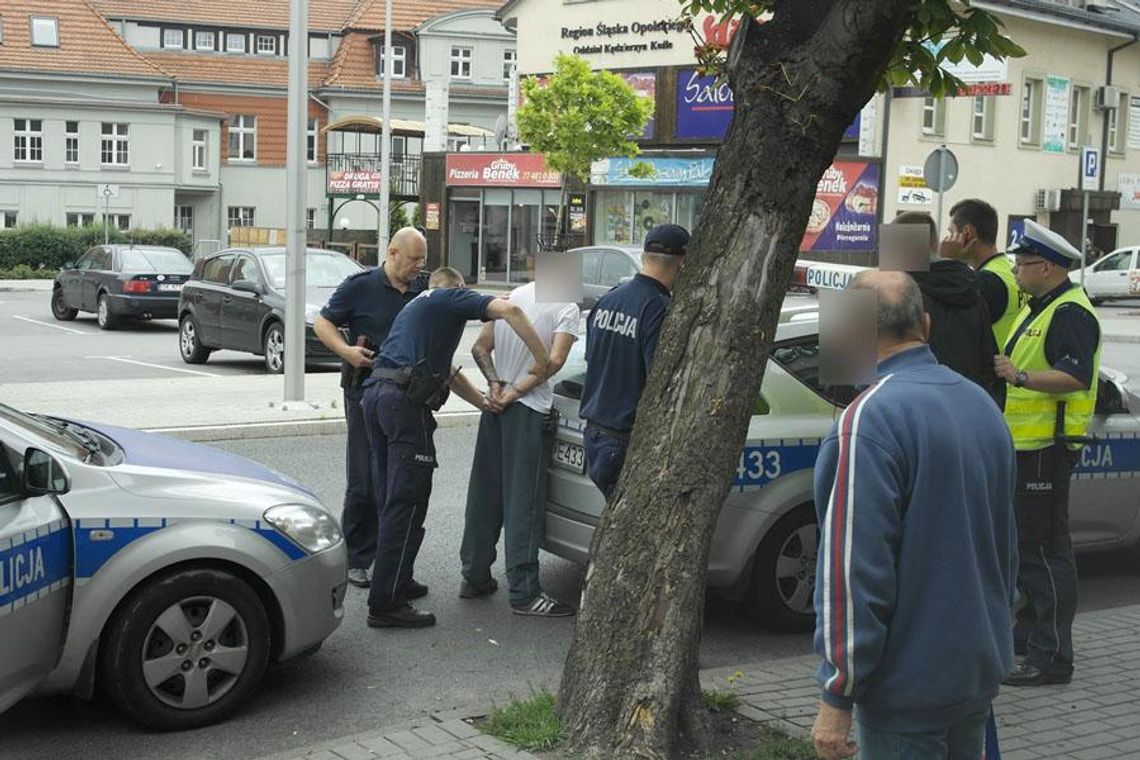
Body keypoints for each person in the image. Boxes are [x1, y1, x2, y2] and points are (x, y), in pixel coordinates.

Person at [810, 271, 1017, 760]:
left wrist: (837, 690)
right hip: (974, 672)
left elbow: (852, 570)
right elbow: (1006, 544)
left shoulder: (869, 419)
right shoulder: (981, 404)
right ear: (925, 323)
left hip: (907, 687)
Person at [362, 267, 552, 628]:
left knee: (392, 497)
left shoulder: (418, 307)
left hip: (377, 397)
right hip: (405, 406)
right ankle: (385, 604)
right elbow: (510, 312)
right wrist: (543, 362)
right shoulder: (450, 297)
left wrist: (485, 401)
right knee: (408, 500)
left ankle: (397, 580)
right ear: (459, 289)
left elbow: (447, 371)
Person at [994, 220, 1102, 687]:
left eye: (1024, 263)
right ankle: (1030, 638)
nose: (1016, 270)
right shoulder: (1041, 307)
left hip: (1046, 451)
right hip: (1024, 449)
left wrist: (1018, 376)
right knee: (1028, 550)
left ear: (1050, 267)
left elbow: (1074, 377)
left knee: (1045, 552)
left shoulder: (1070, 313)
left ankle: (1052, 658)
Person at [313, 227, 428, 590]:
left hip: (408, 397)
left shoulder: (423, 290)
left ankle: (389, 562)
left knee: (397, 482)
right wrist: (346, 352)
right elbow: (323, 321)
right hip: (363, 393)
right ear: (392, 253)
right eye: (414, 259)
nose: (419, 266)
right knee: (365, 479)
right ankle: (355, 559)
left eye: (423, 260)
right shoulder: (359, 286)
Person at [460, 279, 580, 616]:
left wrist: (495, 385)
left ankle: (474, 575)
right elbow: (554, 361)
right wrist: (515, 391)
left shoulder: (512, 297)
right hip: (527, 411)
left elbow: (479, 348)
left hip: (494, 408)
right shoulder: (566, 307)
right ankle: (525, 592)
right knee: (522, 501)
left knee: (484, 493)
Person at [579, 223, 689, 499]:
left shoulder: (609, 299)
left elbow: (591, 358)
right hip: (622, 439)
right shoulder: (658, 309)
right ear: (682, 263)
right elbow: (661, 381)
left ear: (644, 257)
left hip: (594, 433)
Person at [893, 211, 1000, 399]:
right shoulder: (973, 295)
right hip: (965, 408)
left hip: (907, 409)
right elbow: (989, 365)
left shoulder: (893, 297)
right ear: (935, 244)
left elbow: (845, 384)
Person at [940, 199, 1027, 351]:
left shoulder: (985, 282)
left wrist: (945, 261)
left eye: (951, 232)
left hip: (991, 371)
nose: (947, 240)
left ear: (967, 233)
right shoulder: (1009, 270)